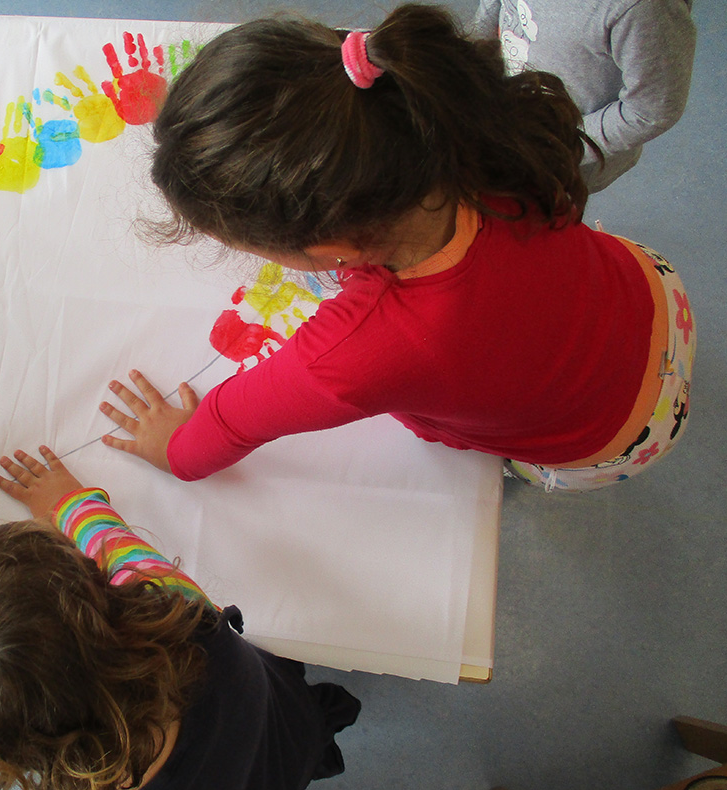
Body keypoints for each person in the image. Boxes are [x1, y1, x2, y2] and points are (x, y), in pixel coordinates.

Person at [98, 4, 695, 493]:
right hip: (653, 293)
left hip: (619, 437)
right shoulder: (460, 123)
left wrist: (172, 448)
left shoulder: (361, 348)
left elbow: (225, 426)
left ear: (333, 247)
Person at [0, 446, 360, 790]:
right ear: (97, 583)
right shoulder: (179, 611)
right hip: (286, 731)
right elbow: (112, 541)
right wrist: (67, 502)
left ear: (5, 752)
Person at [472, 0, 696, 192]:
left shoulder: (643, 8)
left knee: (551, 215)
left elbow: (650, 111)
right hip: (503, 121)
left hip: (566, 156)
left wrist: (549, 148)